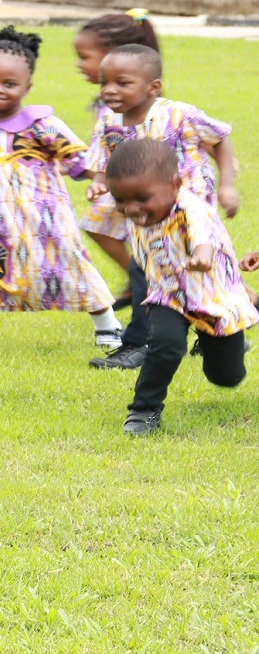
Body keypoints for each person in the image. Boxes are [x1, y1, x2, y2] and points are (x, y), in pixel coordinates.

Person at [0, 27, 121, 353]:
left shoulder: (42, 125)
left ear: (27, 87)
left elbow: (77, 159)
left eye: (9, 84)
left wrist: (100, 178)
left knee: (72, 270)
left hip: (45, 223)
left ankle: (108, 326)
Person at [84, 42, 245, 369]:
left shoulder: (179, 114)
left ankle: (146, 343)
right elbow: (102, 161)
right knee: (149, 270)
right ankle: (191, 334)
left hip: (189, 213)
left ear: (153, 87)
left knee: (189, 272)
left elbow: (219, 139)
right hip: (145, 217)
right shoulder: (109, 123)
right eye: (105, 83)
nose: (110, 90)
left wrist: (227, 185)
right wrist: (99, 181)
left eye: (122, 83)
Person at [105, 140, 256, 435]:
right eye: (120, 200)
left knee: (226, 377)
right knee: (165, 345)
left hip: (212, 295)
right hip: (170, 295)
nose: (131, 209)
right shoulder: (144, 208)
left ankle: (223, 329)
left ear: (174, 185)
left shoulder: (193, 210)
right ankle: (143, 411)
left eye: (141, 198)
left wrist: (201, 256)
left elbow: (204, 239)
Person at [73, 10, 160, 370]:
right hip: (124, 192)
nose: (79, 65)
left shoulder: (154, 108)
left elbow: (207, 137)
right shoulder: (109, 108)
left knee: (172, 266)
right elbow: (103, 146)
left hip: (156, 199)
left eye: (85, 57)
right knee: (155, 267)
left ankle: (235, 315)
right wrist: (97, 179)